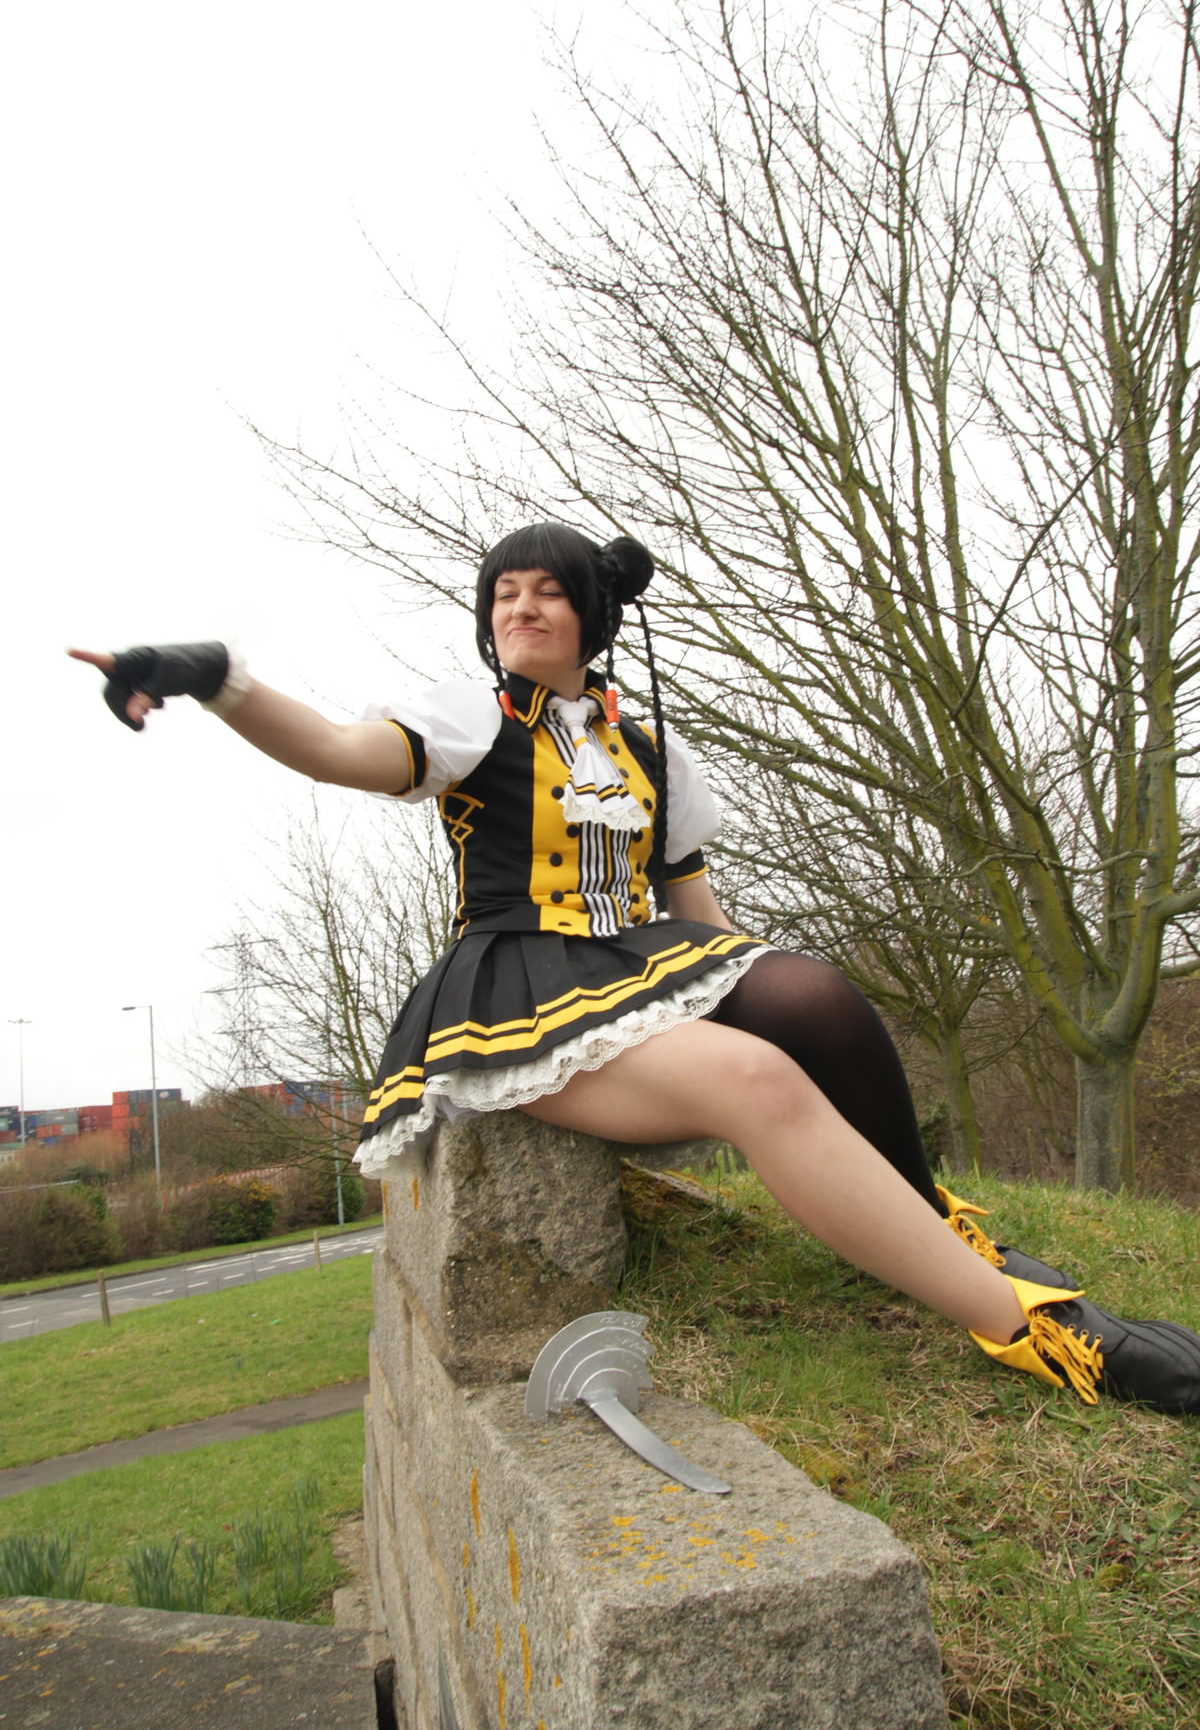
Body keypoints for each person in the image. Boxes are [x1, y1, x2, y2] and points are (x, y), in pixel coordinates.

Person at [70, 522, 1200, 1414]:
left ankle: (932, 1225)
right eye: (503, 593)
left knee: (813, 995)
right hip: (521, 993)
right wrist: (220, 678)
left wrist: (762, 990)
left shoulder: (649, 749)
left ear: (590, 617)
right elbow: (334, 752)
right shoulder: (469, 721)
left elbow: (702, 920)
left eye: (546, 592)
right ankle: (1036, 1334)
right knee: (760, 1082)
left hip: (636, 959)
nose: (520, 607)